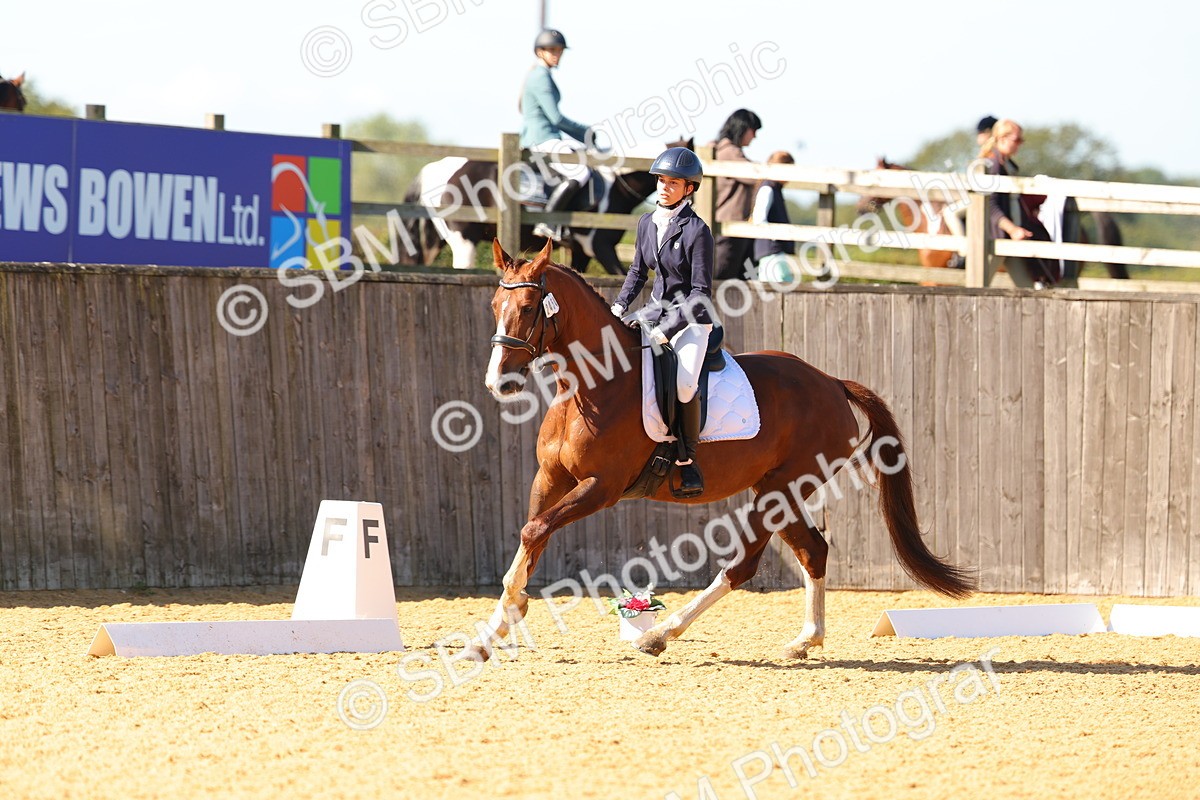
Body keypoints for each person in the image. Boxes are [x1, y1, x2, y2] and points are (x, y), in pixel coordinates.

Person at [610, 147, 714, 498]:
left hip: (692, 320)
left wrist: (666, 330)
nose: (664, 187)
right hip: (653, 311)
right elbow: (638, 272)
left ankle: (687, 459)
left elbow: (700, 292)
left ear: (689, 189)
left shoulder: (698, 231)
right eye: (661, 180)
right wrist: (619, 306)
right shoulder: (646, 223)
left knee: (684, 385)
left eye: (673, 182)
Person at [520, 29, 597, 242]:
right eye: (551, 50)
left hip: (547, 138)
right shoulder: (540, 76)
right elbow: (555, 118)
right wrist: (585, 133)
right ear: (539, 52)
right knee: (580, 172)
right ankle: (546, 222)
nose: (556, 54)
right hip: (543, 139)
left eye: (559, 50)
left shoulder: (541, 74)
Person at [979, 118, 1056, 287]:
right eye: (1017, 140)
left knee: (1026, 289)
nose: (1020, 144)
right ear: (1002, 138)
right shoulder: (994, 166)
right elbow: (990, 205)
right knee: (977, 286)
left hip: (1007, 240)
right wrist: (1012, 229)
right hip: (996, 238)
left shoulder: (1007, 165)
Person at [709, 109, 762, 280]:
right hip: (729, 229)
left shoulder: (720, 149)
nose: (754, 137)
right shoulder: (730, 152)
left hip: (728, 228)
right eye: (753, 131)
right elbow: (754, 175)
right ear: (743, 128)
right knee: (722, 279)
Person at [750, 151, 797, 283]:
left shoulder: (773, 188)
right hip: (772, 251)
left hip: (771, 250)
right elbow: (760, 218)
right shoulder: (768, 189)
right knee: (781, 284)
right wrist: (775, 237)